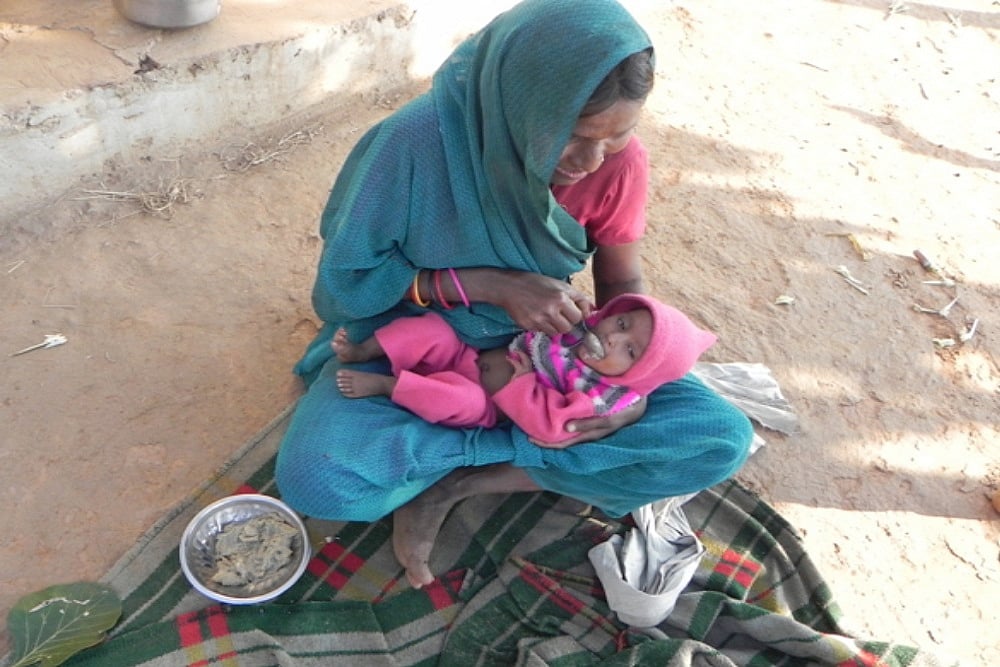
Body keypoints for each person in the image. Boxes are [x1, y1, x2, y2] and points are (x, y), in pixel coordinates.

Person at [275, 0, 753, 589]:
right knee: (316, 480)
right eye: (572, 137)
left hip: (553, 353)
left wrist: (623, 391)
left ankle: (460, 480)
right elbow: (348, 284)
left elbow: (621, 286)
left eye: (619, 135)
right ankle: (515, 448)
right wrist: (492, 286)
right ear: (518, 104)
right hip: (420, 338)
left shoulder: (617, 164)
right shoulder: (416, 144)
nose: (591, 161)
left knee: (715, 438)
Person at [333, 293, 718, 446]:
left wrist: (520, 386)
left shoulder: (599, 396)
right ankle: (362, 348)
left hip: (486, 403)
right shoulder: (580, 330)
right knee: (432, 330)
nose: (613, 338)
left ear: (637, 375)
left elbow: (553, 427)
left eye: (630, 350)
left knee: (453, 396)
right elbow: (544, 314)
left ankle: (387, 385)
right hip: (468, 356)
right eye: (621, 325)